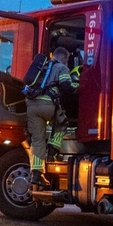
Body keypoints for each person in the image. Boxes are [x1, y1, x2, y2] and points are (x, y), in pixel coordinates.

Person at [26, 46, 78, 189]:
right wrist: (79, 85)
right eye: (67, 59)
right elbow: (66, 86)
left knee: (37, 140)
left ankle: (36, 174)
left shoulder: (40, 67)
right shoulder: (61, 68)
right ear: (63, 57)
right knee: (62, 124)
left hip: (31, 106)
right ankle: (52, 152)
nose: (67, 62)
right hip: (48, 105)